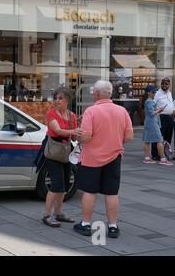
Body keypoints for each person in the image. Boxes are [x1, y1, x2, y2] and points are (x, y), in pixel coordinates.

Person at [74, 80, 134, 239]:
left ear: (96, 93)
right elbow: (129, 137)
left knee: (90, 191)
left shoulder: (91, 111)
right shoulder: (122, 111)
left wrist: (78, 137)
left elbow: (85, 137)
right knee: (112, 192)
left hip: (92, 158)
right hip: (114, 157)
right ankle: (113, 227)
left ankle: (86, 224)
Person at [42, 86, 83, 227]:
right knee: (56, 185)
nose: (57, 101)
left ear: (67, 99)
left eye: (60, 98)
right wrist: (73, 130)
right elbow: (57, 130)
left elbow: (72, 136)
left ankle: (58, 214)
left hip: (66, 152)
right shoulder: (51, 114)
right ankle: (47, 215)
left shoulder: (71, 115)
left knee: (65, 186)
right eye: (56, 98)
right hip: (54, 152)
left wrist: (79, 132)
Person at [142, 85, 173, 165]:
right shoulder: (149, 101)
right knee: (159, 140)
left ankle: (147, 158)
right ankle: (163, 159)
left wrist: (158, 110)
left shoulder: (148, 100)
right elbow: (151, 113)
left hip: (149, 122)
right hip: (152, 122)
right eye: (153, 92)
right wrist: (159, 110)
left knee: (147, 140)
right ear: (148, 93)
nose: (155, 93)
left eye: (155, 92)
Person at [152, 77, 174, 160]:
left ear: (169, 85)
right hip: (161, 117)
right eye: (163, 83)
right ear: (161, 84)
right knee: (158, 136)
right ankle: (155, 154)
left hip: (170, 117)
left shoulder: (169, 93)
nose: (164, 85)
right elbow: (152, 105)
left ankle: (166, 153)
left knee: (168, 137)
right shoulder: (157, 94)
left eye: (166, 84)